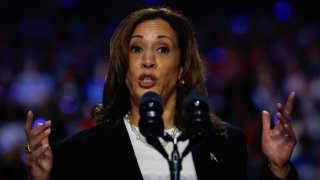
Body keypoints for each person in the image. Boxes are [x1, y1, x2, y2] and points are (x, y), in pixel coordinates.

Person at [24, 7, 298, 180]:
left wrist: (278, 168)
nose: (148, 60)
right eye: (136, 48)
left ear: (181, 70)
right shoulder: (75, 155)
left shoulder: (225, 143)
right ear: (123, 70)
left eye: (163, 49)